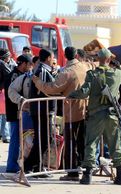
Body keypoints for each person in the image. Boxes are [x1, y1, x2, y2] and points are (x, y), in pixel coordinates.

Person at [68, 48, 121, 185]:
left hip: (95, 116)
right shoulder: (117, 74)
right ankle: (120, 176)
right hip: (112, 115)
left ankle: (88, 175)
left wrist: (71, 95)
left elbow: (84, 93)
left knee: (91, 143)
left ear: (99, 59)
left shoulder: (92, 75)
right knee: (116, 144)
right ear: (109, 60)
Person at [32, 46, 90, 181]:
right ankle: (85, 169)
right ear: (76, 55)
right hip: (85, 109)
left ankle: (72, 173)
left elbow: (52, 88)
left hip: (72, 111)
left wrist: (38, 82)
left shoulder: (67, 72)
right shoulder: (85, 67)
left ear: (65, 56)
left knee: (71, 142)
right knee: (82, 141)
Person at [24, 49, 55, 174]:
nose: (53, 60)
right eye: (52, 57)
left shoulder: (43, 69)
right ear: (48, 58)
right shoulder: (42, 70)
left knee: (44, 139)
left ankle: (37, 166)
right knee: (44, 140)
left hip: (42, 109)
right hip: (41, 110)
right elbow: (44, 89)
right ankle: (30, 165)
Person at [4, 54, 32, 173]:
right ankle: (11, 165)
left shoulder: (17, 74)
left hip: (18, 112)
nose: (30, 67)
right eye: (29, 64)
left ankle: (15, 164)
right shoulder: (14, 75)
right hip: (15, 112)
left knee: (19, 139)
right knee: (15, 140)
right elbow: (12, 95)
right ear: (24, 64)